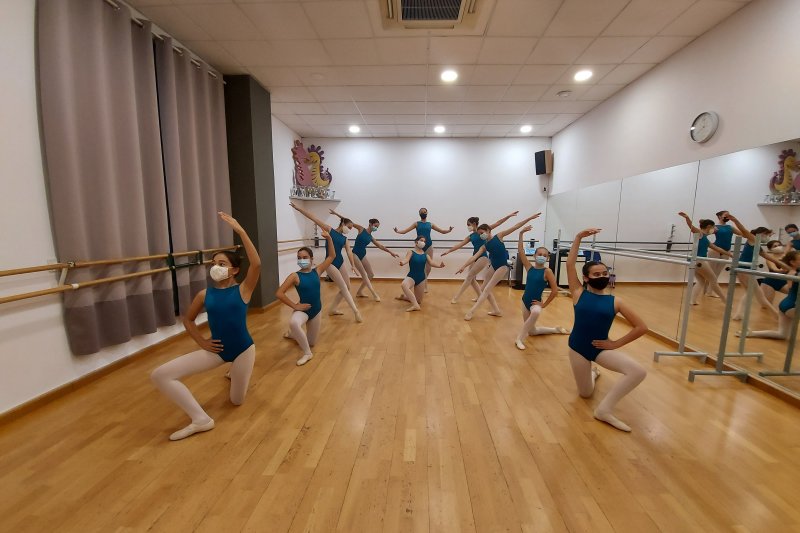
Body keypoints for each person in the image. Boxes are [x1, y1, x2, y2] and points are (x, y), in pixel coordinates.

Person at [151, 212, 260, 441]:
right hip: (217, 351)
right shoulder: (204, 294)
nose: (215, 267)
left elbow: (256, 263)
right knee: (160, 375)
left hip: (243, 350)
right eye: (213, 264)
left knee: (236, 401)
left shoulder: (243, 289)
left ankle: (235, 371)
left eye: (222, 264)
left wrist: (240, 230)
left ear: (234, 270)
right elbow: (188, 320)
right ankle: (201, 419)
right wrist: (201, 342)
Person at [566, 228, 648, 432]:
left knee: (638, 372)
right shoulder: (578, 292)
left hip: (600, 349)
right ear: (586, 278)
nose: (602, 276)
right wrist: (578, 237)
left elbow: (641, 327)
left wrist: (615, 344)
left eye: (605, 273)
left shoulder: (616, 301)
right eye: (596, 274)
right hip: (577, 348)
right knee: (585, 394)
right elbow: (569, 264)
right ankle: (593, 374)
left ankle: (604, 410)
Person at [455, 213, 541, 321]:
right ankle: (496, 310)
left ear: (488, 231)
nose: (481, 235)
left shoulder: (499, 236)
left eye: (482, 233)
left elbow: (516, 226)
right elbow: (474, 257)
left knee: (486, 290)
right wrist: (463, 266)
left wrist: (530, 218)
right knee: (484, 289)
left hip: (502, 267)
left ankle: (471, 312)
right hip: (493, 266)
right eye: (479, 234)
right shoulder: (484, 246)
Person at [290, 202, 362, 322]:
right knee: (344, 287)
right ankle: (356, 311)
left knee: (347, 287)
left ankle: (333, 309)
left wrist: (353, 266)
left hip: (340, 262)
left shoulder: (345, 239)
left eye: (351, 228)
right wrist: (299, 209)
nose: (349, 230)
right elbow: (314, 218)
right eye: (349, 227)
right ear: (343, 223)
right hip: (330, 263)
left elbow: (349, 252)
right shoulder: (329, 230)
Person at [275, 232, 335, 366]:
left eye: (305, 257)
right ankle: (307, 353)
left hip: (316, 310)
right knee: (294, 323)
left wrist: (329, 238)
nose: (301, 260)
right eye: (299, 258)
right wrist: (295, 306)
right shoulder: (295, 276)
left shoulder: (317, 271)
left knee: (311, 342)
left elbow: (332, 256)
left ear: (311, 259)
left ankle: (293, 335)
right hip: (303, 310)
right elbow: (279, 293)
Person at [441, 211, 518, 304]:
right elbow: (460, 244)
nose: (467, 227)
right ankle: (480, 296)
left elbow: (499, 222)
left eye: (468, 224)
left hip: (483, 257)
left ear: (474, 224)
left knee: (469, 276)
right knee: (472, 279)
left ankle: (456, 297)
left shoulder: (483, 231)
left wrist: (508, 216)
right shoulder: (471, 236)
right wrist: (449, 251)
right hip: (475, 257)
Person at [514, 226, 568, 350]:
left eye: (544, 255)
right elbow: (521, 250)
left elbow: (554, 290)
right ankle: (555, 330)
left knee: (536, 311)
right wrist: (521, 234)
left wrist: (543, 305)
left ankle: (519, 339)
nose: (542, 256)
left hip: (535, 302)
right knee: (532, 331)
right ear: (534, 255)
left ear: (547, 258)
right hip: (524, 301)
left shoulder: (547, 271)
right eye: (539, 254)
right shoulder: (529, 267)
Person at [329, 208, 399, 302]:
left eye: (377, 227)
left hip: (362, 254)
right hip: (355, 254)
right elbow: (347, 221)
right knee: (364, 275)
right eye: (375, 226)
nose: (376, 228)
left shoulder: (370, 237)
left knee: (371, 274)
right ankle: (374, 294)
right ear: (370, 224)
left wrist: (391, 252)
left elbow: (380, 246)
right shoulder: (361, 229)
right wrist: (335, 214)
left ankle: (359, 292)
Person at [724, 214, 778, 319]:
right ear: (761, 234)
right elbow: (743, 230)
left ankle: (738, 314)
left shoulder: (756, 244)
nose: (768, 238)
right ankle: (776, 316)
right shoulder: (752, 239)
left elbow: (766, 256)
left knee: (749, 294)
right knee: (760, 296)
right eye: (767, 235)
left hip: (743, 269)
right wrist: (735, 220)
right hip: (745, 269)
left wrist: (781, 264)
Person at [394, 208, 453, 292]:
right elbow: (405, 231)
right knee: (418, 267)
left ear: (427, 213)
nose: (423, 213)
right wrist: (397, 231)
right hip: (419, 246)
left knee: (428, 268)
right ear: (419, 214)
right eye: (421, 212)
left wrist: (449, 230)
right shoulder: (416, 223)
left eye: (424, 212)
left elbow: (442, 231)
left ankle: (422, 283)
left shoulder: (430, 224)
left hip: (428, 246)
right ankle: (422, 286)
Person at [743, 250, 799, 340]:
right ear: (792, 262)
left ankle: (753, 333)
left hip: (785, 305)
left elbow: (790, 287)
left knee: (782, 334)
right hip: (793, 306)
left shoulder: (792, 272)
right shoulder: (794, 273)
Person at [677, 212, 729, 304]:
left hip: (696, 260)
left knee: (701, 281)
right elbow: (691, 227)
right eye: (713, 227)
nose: (714, 229)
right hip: (699, 261)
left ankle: (692, 300)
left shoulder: (705, 239)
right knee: (713, 279)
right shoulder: (700, 234)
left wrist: (730, 254)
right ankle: (725, 300)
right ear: (708, 227)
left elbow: (716, 248)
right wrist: (687, 218)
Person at [396, 236, 445, 311]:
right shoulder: (411, 252)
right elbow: (406, 259)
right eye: (421, 240)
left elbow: (431, 263)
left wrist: (440, 266)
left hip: (421, 278)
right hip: (412, 276)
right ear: (416, 242)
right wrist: (402, 262)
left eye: (424, 241)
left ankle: (405, 297)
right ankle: (416, 306)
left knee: (419, 301)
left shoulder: (426, 255)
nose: (423, 242)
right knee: (404, 285)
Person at [706, 210, 735, 296]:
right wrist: (710, 230)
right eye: (726, 215)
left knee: (717, 273)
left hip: (726, 251)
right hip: (715, 250)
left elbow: (742, 233)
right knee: (711, 272)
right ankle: (707, 290)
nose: (728, 217)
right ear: (719, 216)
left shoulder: (730, 227)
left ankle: (709, 291)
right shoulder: (715, 227)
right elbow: (704, 234)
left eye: (729, 215)